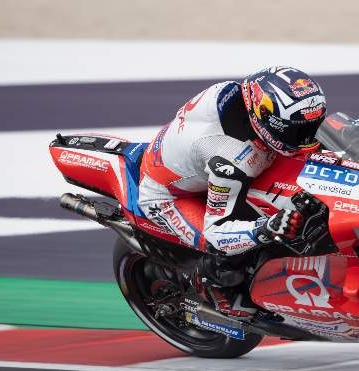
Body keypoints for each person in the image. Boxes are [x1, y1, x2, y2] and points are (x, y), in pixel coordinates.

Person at [137, 66, 327, 316]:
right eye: (297, 131)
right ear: (266, 119)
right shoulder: (231, 160)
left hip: (200, 162)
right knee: (230, 249)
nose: (309, 137)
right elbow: (218, 231)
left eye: (314, 124)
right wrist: (266, 228)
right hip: (169, 195)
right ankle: (218, 293)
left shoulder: (247, 98)